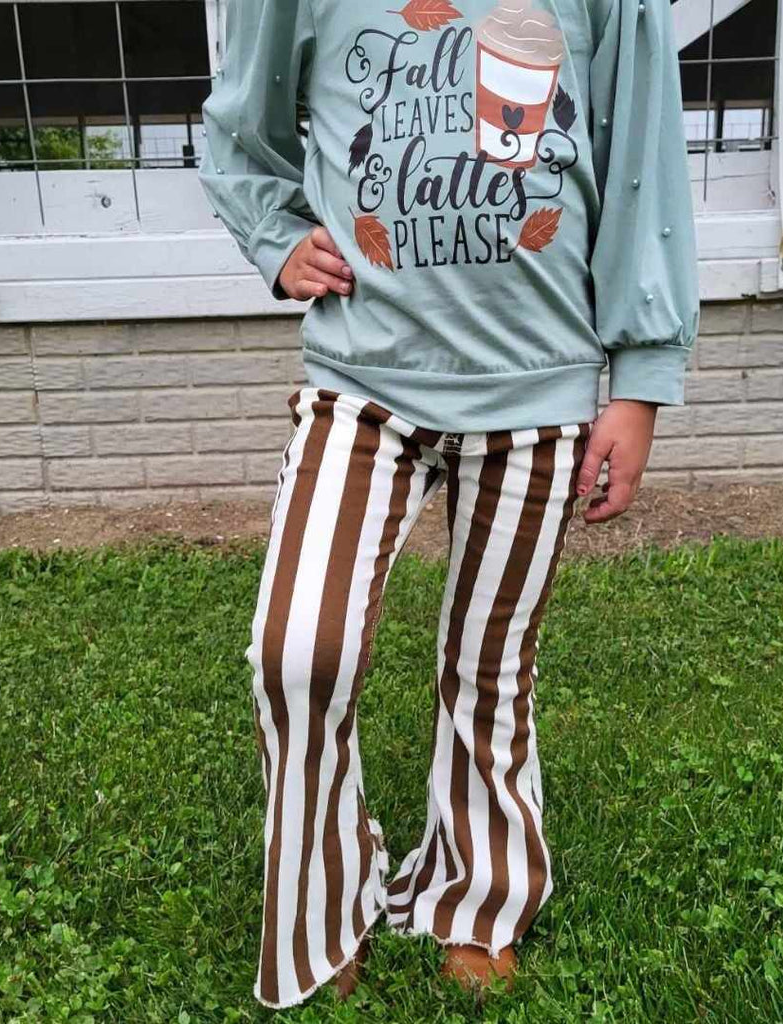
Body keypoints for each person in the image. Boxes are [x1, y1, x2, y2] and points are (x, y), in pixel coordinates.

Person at [199, 0, 699, 1009]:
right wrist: (275, 233)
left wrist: (641, 378)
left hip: (539, 383)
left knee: (489, 665)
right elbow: (241, 122)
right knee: (297, 652)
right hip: (361, 374)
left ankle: (476, 896)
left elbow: (640, 153)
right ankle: (327, 897)